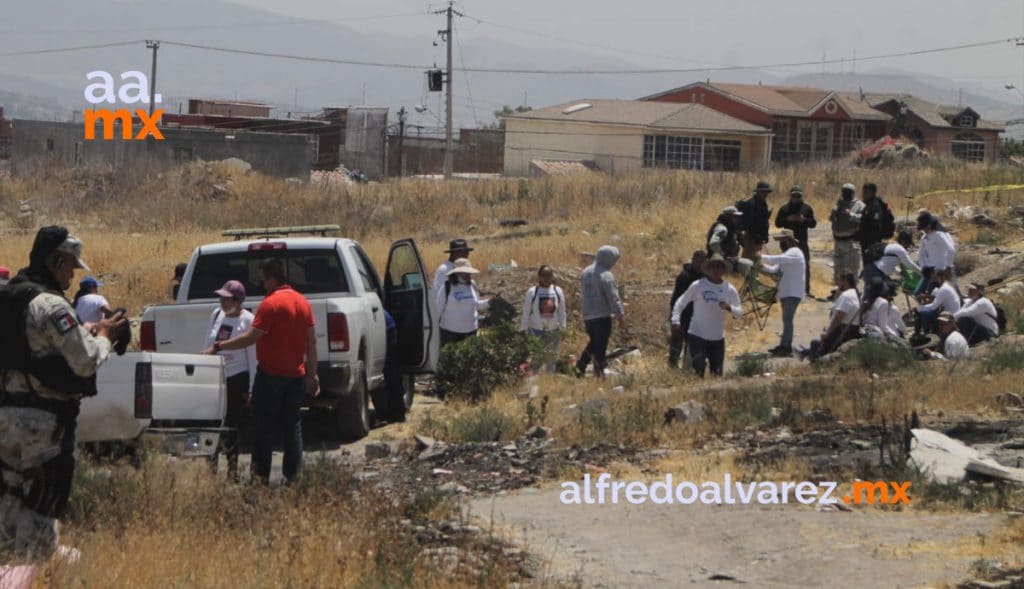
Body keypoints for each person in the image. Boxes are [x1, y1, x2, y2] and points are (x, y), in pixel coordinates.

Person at [0, 226, 126, 560]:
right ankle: (36, 572)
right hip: (42, 427)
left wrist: (83, 331)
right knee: (42, 505)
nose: (72, 275)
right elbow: (84, 362)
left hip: (5, 420)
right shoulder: (51, 305)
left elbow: (30, 346)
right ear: (56, 261)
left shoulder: (9, 297)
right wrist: (105, 337)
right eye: (70, 266)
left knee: (9, 505)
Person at [204, 258, 318, 485]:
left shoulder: (271, 304)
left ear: (273, 278)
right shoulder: (303, 302)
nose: (262, 284)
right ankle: (293, 477)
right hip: (296, 375)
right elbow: (311, 342)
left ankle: (260, 477)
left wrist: (219, 346)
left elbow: (251, 337)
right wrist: (312, 374)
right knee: (292, 427)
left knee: (263, 428)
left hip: (270, 376)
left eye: (263, 279)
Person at [202, 280, 257, 480]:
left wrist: (251, 388)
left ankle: (233, 470)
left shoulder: (248, 321)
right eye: (221, 298)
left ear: (238, 300)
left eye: (227, 299)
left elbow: (253, 357)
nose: (223, 302)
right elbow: (209, 343)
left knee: (232, 426)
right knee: (212, 424)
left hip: (237, 378)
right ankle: (211, 469)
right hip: (216, 377)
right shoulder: (216, 315)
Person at [671, 254, 743, 378]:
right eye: (713, 266)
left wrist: (729, 307)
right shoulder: (698, 285)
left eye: (719, 267)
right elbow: (680, 302)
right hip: (697, 335)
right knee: (697, 372)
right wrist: (675, 320)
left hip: (717, 338)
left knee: (717, 375)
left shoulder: (729, 289)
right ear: (708, 269)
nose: (715, 270)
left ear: (723, 270)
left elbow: (740, 312)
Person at [576, 245, 625, 379]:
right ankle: (599, 371)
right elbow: (613, 297)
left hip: (588, 315)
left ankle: (581, 365)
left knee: (594, 342)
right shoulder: (606, 275)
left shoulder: (586, 272)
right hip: (602, 315)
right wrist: (620, 315)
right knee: (600, 345)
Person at [758, 229, 806, 357]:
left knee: (787, 319)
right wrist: (760, 265)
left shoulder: (795, 252)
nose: (781, 243)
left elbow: (778, 259)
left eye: (782, 240)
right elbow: (774, 270)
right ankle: (784, 345)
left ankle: (786, 347)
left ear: (789, 240)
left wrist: (761, 256)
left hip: (793, 292)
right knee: (786, 320)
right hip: (786, 292)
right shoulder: (787, 256)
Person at [799, 273, 861, 362]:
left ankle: (814, 365)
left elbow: (838, 318)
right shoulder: (852, 293)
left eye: (839, 281)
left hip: (842, 331)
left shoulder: (847, 296)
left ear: (845, 281)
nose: (838, 284)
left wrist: (828, 332)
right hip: (847, 330)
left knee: (816, 344)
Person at [520, 265, 567, 370]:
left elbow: (562, 312)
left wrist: (563, 329)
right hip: (536, 330)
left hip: (553, 330)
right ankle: (534, 381)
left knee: (551, 359)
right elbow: (526, 312)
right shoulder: (532, 292)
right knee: (536, 359)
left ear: (552, 277)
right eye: (544, 276)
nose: (546, 278)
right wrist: (523, 329)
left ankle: (549, 380)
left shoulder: (557, 291)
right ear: (539, 277)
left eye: (549, 276)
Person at [437, 258, 490, 347]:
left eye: (468, 272)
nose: (467, 274)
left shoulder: (472, 285)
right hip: (450, 334)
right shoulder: (447, 287)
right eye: (464, 272)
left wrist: (489, 302)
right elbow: (437, 310)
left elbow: (477, 305)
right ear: (456, 273)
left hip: (471, 332)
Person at [774, 186, 816, 295]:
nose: (796, 198)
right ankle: (785, 289)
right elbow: (777, 223)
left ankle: (806, 290)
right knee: (786, 265)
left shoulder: (807, 208)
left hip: (801, 241)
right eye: (794, 196)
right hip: (787, 242)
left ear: (802, 196)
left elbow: (813, 223)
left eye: (798, 196)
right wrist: (787, 219)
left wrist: (804, 220)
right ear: (790, 196)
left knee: (804, 264)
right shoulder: (784, 208)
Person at [667, 251, 706, 368]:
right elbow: (676, 299)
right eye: (697, 261)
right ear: (693, 260)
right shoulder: (684, 276)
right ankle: (672, 368)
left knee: (692, 344)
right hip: (683, 314)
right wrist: (674, 317)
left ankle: (688, 368)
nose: (699, 264)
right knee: (676, 344)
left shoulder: (705, 277)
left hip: (696, 316)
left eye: (702, 262)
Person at [862, 230, 921, 294]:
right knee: (875, 297)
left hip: (872, 271)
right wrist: (924, 273)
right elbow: (910, 264)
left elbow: (888, 263)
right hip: (876, 273)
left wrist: (900, 272)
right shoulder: (899, 249)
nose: (908, 246)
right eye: (908, 244)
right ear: (903, 241)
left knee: (885, 293)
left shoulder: (892, 246)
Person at [829, 183, 864, 282]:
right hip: (838, 241)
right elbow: (833, 219)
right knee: (838, 269)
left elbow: (863, 219)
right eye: (844, 192)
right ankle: (839, 291)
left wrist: (851, 214)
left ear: (853, 193)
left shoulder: (859, 205)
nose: (845, 194)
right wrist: (832, 215)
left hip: (851, 242)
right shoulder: (839, 203)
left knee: (851, 270)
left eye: (848, 192)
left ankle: (852, 292)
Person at [916, 213, 957, 297]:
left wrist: (948, 267)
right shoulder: (924, 237)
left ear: (930, 225)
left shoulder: (940, 235)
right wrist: (923, 267)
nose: (924, 230)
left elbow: (951, 249)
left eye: (925, 227)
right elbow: (921, 254)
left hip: (942, 270)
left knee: (954, 294)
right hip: (929, 270)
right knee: (919, 293)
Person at [857, 182, 897, 267]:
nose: (863, 195)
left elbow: (876, 224)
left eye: (866, 193)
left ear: (872, 193)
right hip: (866, 240)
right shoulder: (867, 204)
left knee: (871, 263)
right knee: (867, 263)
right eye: (863, 192)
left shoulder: (875, 205)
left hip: (872, 241)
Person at [914, 268, 961, 334]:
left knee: (924, 314)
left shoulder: (944, 289)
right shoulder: (947, 284)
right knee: (924, 311)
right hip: (952, 311)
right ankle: (922, 333)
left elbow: (933, 306)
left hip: (951, 315)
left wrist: (919, 308)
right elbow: (935, 297)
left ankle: (928, 334)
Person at [735, 180, 773, 259]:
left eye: (766, 192)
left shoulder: (763, 203)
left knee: (754, 261)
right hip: (751, 237)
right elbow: (750, 223)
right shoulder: (751, 204)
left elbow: (764, 221)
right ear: (758, 192)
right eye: (763, 192)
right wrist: (756, 236)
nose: (765, 194)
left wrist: (765, 236)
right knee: (750, 261)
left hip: (759, 237)